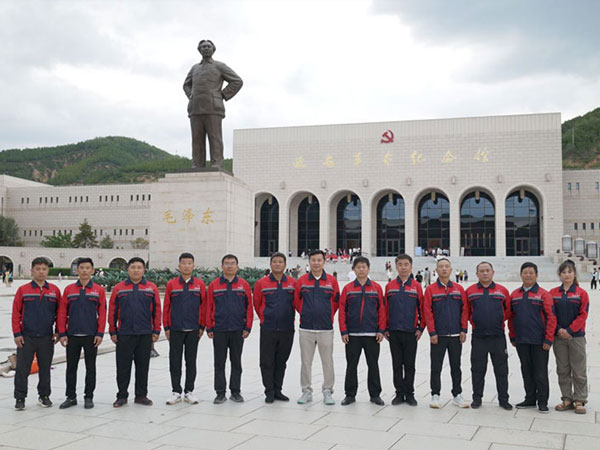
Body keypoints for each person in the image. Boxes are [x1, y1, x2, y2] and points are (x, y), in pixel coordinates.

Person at [109, 257, 161, 407]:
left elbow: (157, 310)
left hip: (145, 333)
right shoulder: (119, 288)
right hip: (124, 333)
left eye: (139, 267)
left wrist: (156, 330)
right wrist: (112, 331)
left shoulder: (151, 288)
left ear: (144, 270)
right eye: (133, 267)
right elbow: (112, 310)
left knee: (143, 366)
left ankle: (141, 395)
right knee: (123, 367)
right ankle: (122, 396)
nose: (136, 270)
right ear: (128, 269)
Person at [183, 39, 243, 168]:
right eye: (203, 47)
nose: (206, 48)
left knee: (215, 137)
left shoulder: (220, 66)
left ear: (213, 49)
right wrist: (191, 96)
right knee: (197, 138)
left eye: (208, 46)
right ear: (199, 50)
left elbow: (237, 81)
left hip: (213, 107)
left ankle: (217, 163)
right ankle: (197, 164)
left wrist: (222, 95)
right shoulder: (194, 68)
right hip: (195, 107)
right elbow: (186, 85)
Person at [57, 257, 106, 409]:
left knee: (90, 368)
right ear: (77, 270)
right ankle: (71, 397)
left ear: (92, 270)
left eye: (87, 268)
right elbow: (62, 312)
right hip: (72, 335)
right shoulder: (69, 289)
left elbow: (102, 313)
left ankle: (89, 396)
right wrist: (62, 333)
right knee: (71, 367)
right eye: (82, 268)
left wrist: (100, 333)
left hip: (91, 336)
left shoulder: (98, 290)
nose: (84, 270)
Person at [12, 257, 61, 410]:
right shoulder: (23, 290)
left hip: (46, 337)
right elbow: (16, 313)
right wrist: (17, 334)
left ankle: (44, 396)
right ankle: (20, 397)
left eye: (44, 269)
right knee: (22, 369)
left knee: (45, 369)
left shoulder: (54, 291)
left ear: (48, 271)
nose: (41, 272)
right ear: (32, 271)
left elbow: (60, 313)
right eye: (38, 269)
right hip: (26, 337)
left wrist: (58, 331)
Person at [508, 262, 557, 414]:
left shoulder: (544, 294)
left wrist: (548, 339)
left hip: (539, 341)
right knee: (526, 370)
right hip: (521, 340)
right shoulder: (514, 295)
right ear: (521, 275)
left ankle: (542, 401)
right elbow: (511, 317)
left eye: (531, 273)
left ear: (537, 275)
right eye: (525, 272)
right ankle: (530, 398)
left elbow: (551, 318)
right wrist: (512, 336)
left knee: (540, 372)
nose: (528, 275)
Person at [294, 249, 340, 405]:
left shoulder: (332, 281)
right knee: (306, 362)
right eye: (313, 260)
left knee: (327, 362)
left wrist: (327, 314)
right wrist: (306, 313)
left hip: (325, 328)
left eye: (319, 260)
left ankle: (327, 390)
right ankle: (306, 391)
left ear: (324, 262)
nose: (316, 263)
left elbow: (336, 302)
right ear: (309, 262)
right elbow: (297, 302)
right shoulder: (302, 281)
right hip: (306, 328)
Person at [338, 256, 386, 406]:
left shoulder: (376, 288)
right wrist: (344, 331)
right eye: (358, 267)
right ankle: (350, 394)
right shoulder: (348, 289)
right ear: (353, 269)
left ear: (368, 269)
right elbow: (342, 311)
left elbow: (382, 310)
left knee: (373, 365)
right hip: (352, 335)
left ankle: (375, 394)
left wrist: (381, 329)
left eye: (364, 267)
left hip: (372, 334)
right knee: (351, 365)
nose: (361, 269)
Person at [206, 254, 253, 404]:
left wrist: (248, 327)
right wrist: (209, 327)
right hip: (219, 329)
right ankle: (220, 393)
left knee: (236, 362)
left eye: (233, 263)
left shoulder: (244, 285)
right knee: (219, 362)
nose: (230, 266)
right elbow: (208, 306)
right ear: (222, 266)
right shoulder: (214, 285)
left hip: (238, 329)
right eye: (227, 263)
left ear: (237, 267)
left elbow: (249, 308)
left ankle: (235, 391)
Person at [423, 257, 469, 409]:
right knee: (436, 366)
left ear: (451, 269)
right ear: (436, 270)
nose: (444, 269)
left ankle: (457, 394)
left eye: (446, 266)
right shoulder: (430, 290)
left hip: (456, 335)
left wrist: (463, 329)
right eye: (441, 266)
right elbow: (427, 312)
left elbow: (464, 310)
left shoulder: (459, 289)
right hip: (438, 336)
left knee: (456, 366)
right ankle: (435, 395)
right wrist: (432, 332)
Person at [465, 262, 512, 410]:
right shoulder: (470, 291)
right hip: (479, 337)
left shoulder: (502, 290)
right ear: (477, 274)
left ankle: (503, 399)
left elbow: (508, 311)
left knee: (501, 369)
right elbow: (467, 311)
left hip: (497, 337)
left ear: (493, 272)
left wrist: (498, 320)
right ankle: (477, 398)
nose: (485, 273)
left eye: (487, 270)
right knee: (477, 369)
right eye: (481, 271)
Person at [163, 253, 206, 405]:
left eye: (189, 263)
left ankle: (189, 391)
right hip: (175, 329)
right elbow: (166, 307)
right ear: (179, 266)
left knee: (191, 361)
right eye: (184, 263)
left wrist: (202, 326)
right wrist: (166, 327)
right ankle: (176, 391)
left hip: (193, 329)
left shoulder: (200, 285)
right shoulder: (171, 284)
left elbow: (204, 307)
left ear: (193, 266)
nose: (186, 266)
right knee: (175, 361)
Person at [253, 252, 296, 403]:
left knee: (281, 361)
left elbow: (296, 302)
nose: (277, 264)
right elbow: (257, 303)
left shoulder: (292, 283)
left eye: (280, 262)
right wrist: (264, 317)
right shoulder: (262, 283)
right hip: (268, 328)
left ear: (285, 265)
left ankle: (278, 390)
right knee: (267, 361)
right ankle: (269, 391)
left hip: (287, 328)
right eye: (275, 262)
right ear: (270, 264)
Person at [550, 260, 590, 414]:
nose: (567, 275)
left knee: (579, 370)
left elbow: (583, 315)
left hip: (576, 337)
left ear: (574, 274)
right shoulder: (553, 293)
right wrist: (559, 329)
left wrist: (570, 330)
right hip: (559, 337)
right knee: (563, 369)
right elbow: (550, 314)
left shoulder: (581, 293)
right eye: (564, 272)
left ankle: (580, 399)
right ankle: (566, 399)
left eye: (570, 272)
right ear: (559, 274)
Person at [385, 254, 424, 406]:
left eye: (406, 264)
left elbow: (422, 309)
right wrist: (385, 328)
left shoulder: (416, 286)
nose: (403, 267)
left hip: (411, 332)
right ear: (396, 267)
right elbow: (385, 309)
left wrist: (420, 328)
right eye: (400, 264)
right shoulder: (390, 286)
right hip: (394, 332)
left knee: (409, 365)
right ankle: (399, 393)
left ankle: (409, 393)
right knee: (396, 364)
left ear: (411, 267)